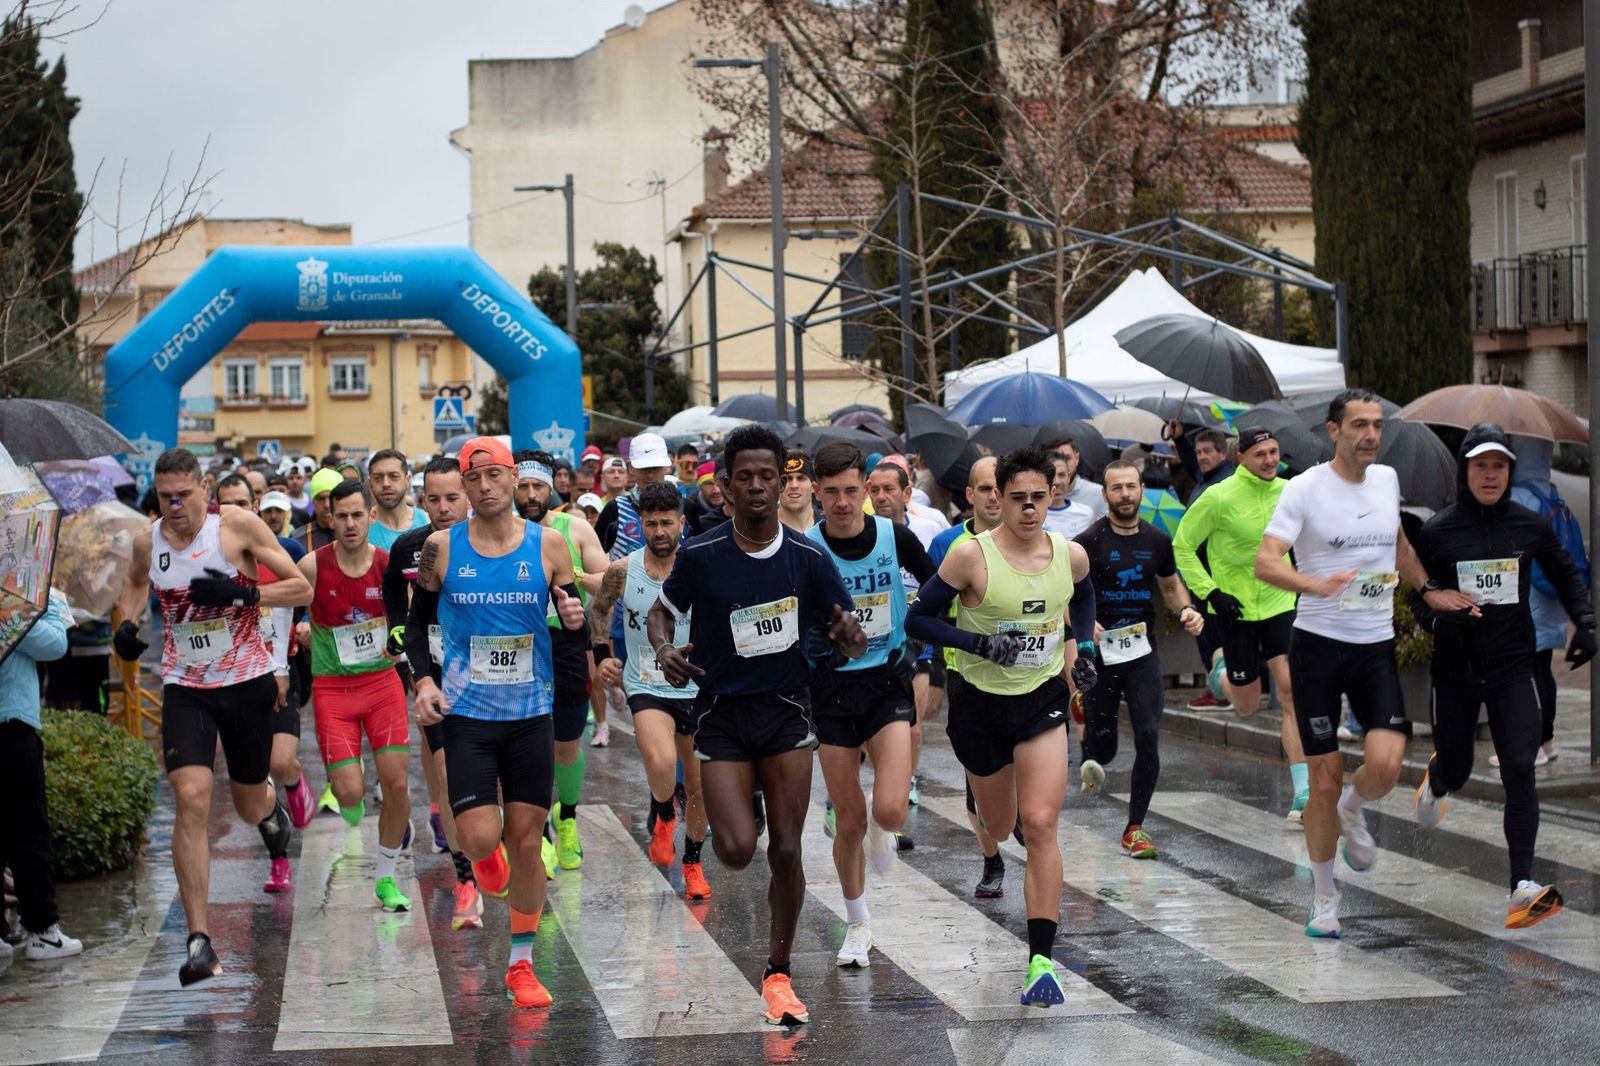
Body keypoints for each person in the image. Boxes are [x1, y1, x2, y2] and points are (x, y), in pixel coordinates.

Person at [649, 425, 866, 1027]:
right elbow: (660, 611)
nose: (756, 486)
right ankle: (739, 810)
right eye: (743, 476)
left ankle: (778, 974)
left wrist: (850, 636)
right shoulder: (701, 555)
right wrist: (665, 650)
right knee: (737, 849)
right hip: (720, 714)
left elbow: (845, 622)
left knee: (788, 848)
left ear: (783, 483)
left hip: (786, 712)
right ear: (723, 486)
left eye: (767, 476)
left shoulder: (807, 558)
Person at [1253, 390, 1461, 938]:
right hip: (1318, 645)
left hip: (1374, 646)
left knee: (1388, 764)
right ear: (1334, 431)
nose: (1371, 435)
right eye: (1359, 426)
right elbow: (1266, 562)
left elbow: (1395, 543)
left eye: (1377, 426)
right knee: (1322, 778)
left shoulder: (1387, 481)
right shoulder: (1305, 489)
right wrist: (1313, 583)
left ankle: (1354, 807)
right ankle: (1325, 898)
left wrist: (1429, 588)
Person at [113, 447, 312, 985]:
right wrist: (128, 627)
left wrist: (245, 594)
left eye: (183, 495)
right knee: (191, 797)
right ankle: (199, 939)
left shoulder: (236, 528)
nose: (174, 507)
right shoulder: (146, 541)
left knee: (248, 804)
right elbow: (134, 582)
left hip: (245, 684)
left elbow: (301, 587)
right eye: (164, 497)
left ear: (205, 487)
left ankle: (273, 811)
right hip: (186, 688)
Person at [905, 446, 1097, 1007]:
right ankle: (1002, 823)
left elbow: (1081, 598)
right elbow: (918, 618)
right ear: (999, 499)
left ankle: (1042, 960)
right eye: (1018, 499)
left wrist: (1080, 646)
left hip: (1040, 699)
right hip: (980, 704)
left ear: (1054, 496)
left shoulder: (1071, 555)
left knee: (1040, 824)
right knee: (1001, 818)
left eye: (1040, 497)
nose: (1030, 508)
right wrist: (978, 643)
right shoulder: (971, 557)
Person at [407, 436, 587, 1010]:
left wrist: (576, 619)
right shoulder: (440, 548)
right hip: (468, 717)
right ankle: (486, 868)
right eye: (473, 478)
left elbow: (575, 617)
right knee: (483, 841)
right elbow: (416, 628)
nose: (484, 488)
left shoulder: (550, 545)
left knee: (528, 842)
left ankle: (521, 964)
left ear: (515, 479)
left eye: (494, 476)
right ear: (462, 488)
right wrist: (424, 681)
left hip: (532, 713)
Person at [1411, 423, 1596, 929]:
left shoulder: (1529, 525)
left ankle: (1521, 887)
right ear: (1465, 470)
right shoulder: (1439, 531)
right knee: (1460, 767)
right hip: (1456, 670)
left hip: (1514, 666)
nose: (1490, 475)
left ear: (1510, 472)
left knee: (1520, 766)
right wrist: (1438, 618)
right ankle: (1438, 780)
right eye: (1480, 466)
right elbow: (1416, 598)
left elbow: (1567, 575)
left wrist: (1587, 623)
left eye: (1499, 466)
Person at [806, 441, 937, 967]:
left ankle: (888, 829)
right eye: (831, 492)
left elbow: (937, 588)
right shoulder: (807, 548)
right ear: (816, 492)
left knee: (888, 808)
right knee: (849, 820)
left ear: (866, 489)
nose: (842, 501)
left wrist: (936, 631)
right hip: (831, 690)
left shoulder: (895, 536)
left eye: (851, 490)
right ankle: (857, 926)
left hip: (886, 681)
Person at [1172, 427, 1310, 824]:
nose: (1269, 460)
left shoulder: (1290, 491)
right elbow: (1183, 544)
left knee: (1289, 692)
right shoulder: (1218, 497)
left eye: (1274, 452)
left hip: (1281, 603)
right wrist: (1211, 593)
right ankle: (1221, 678)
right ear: (1240, 457)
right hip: (1233, 611)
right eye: (1260, 454)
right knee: (1247, 705)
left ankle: (1301, 792)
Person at [1074, 460, 1206, 858]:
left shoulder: (1158, 540)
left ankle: (1135, 828)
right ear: (1105, 494)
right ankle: (1089, 738)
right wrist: (1085, 624)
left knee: (1148, 732)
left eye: (1131, 487)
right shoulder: (1088, 541)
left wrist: (1185, 610)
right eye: (1117, 488)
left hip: (1142, 653)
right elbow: (1067, 594)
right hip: (1101, 656)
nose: (1126, 495)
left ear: (1142, 490)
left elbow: (1170, 587)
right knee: (1105, 748)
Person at [294, 480, 415, 912]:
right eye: (340, 516)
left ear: (371, 516)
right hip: (333, 691)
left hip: (382, 685)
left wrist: (405, 643)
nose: (348, 524)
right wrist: (296, 634)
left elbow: (415, 615)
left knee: (397, 782)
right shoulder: (311, 565)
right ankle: (360, 797)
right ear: (330, 518)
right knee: (349, 797)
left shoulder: (388, 566)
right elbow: (282, 604)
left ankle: (385, 878)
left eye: (356, 515)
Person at [588, 483, 712, 901]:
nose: (659, 531)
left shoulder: (700, 564)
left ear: (682, 522)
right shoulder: (624, 569)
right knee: (659, 758)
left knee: (699, 788)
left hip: (698, 686)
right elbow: (600, 608)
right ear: (639, 524)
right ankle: (662, 812)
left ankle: (693, 863)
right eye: (650, 523)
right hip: (646, 682)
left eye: (666, 522)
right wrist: (603, 654)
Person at [384, 457, 482, 926]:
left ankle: (518, 840)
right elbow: (396, 608)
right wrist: (398, 642)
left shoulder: (498, 541)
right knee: (449, 775)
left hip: (494, 677)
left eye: (452, 498)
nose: (444, 508)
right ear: (421, 500)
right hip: (434, 675)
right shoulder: (408, 548)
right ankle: (466, 881)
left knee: (496, 782)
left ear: (468, 495)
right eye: (434, 499)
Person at [514, 451, 613, 866]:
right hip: (515, 649)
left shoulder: (573, 528)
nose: (532, 495)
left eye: (539, 486)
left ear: (553, 486)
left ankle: (567, 817)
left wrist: (571, 578)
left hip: (566, 647)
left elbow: (611, 581)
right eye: (524, 486)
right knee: (522, 745)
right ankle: (533, 830)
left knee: (566, 744)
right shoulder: (495, 533)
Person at [216, 478, 314, 884]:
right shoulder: (211, 553)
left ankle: (294, 778)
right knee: (254, 783)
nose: (235, 512)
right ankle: (279, 858)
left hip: (277, 670)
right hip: (228, 679)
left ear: (255, 504)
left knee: (279, 761)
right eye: (226, 506)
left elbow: (297, 599)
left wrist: (280, 669)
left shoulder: (283, 550)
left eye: (242, 503)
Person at [928, 456, 1007, 898]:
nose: (994, 496)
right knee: (975, 779)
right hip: (967, 673)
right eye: (985, 489)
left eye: (1001, 488)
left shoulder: (1026, 540)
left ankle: (1015, 820)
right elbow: (926, 612)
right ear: (969, 496)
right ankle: (991, 859)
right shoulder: (947, 544)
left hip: (1023, 674)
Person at [0, 588, 83, 963]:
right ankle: (41, 932)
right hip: (13, 728)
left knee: (23, 829)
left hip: (16, 723)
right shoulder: (23, 597)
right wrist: (19, 616)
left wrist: (18, 616)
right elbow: (51, 642)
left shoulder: (34, 594)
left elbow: (56, 645)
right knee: (28, 832)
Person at [1507, 437, 1590, 766]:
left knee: (1526, 674)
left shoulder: (1519, 497)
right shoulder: (1551, 491)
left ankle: (1535, 744)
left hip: (1529, 597)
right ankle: (1548, 740)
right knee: (1543, 671)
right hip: (1552, 598)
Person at [596, 432, 673, 560]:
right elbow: (593, 561)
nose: (650, 475)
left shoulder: (685, 507)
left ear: (667, 467)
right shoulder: (615, 509)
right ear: (631, 468)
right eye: (644, 468)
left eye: (656, 467)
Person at [366, 449, 430, 550]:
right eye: (378, 478)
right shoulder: (362, 527)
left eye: (393, 476)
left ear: (407, 480)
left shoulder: (427, 522)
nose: (386, 484)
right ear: (370, 483)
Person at [1040, 437, 1106, 520]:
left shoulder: (1097, 493)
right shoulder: (1036, 497)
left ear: (1077, 458)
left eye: (1067, 458)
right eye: (1054, 458)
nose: (1062, 463)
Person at [1042, 450, 1095, 538]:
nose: (1057, 482)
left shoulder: (1086, 514)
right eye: (1051, 475)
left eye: (1062, 475)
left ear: (1069, 477)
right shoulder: (1031, 515)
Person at [291, 468, 341, 550]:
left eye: (332, 498)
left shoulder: (354, 535)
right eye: (321, 498)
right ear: (313, 502)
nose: (327, 505)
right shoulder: (298, 538)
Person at [684, 459, 729, 535]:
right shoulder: (689, 509)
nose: (716, 490)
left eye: (718, 483)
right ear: (699, 486)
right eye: (709, 484)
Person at [778, 450, 818, 533]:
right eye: (787, 479)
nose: (794, 485)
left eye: (801, 478)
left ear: (813, 487)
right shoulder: (763, 528)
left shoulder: (829, 527)